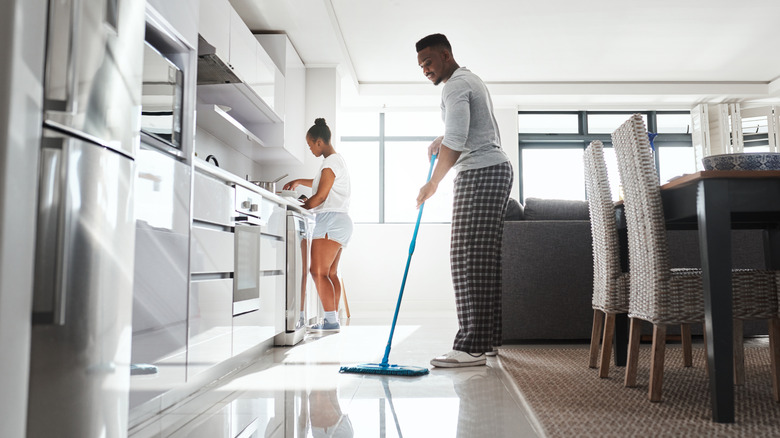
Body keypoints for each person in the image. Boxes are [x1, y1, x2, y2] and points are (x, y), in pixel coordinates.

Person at [415, 33, 513, 367]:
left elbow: (458, 139)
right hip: (492, 169)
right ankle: (486, 342)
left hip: (481, 172)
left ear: (445, 55)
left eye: (428, 62)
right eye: (421, 66)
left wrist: (433, 183)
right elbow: (471, 131)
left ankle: (470, 346)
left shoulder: (455, 85)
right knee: (482, 259)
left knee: (467, 258)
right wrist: (442, 138)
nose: (425, 69)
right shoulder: (471, 80)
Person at [283, 118, 353, 333]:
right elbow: (320, 185)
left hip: (330, 220)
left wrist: (303, 205)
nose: (310, 149)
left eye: (310, 144)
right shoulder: (334, 162)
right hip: (340, 220)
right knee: (330, 273)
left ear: (319, 142)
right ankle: (332, 319)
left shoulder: (330, 163)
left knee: (317, 272)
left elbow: (320, 197)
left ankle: (331, 322)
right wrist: (298, 182)